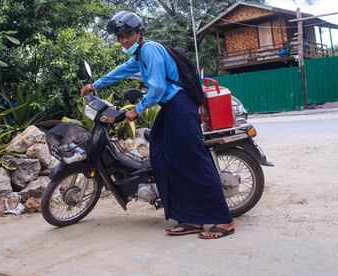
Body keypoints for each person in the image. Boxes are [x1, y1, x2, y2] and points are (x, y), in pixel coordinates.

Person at [80, 11, 234, 239]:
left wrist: (137, 110)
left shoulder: (150, 49)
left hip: (180, 106)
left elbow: (159, 89)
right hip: (171, 108)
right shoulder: (141, 54)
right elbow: (123, 70)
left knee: (193, 161)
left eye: (128, 34)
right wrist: (96, 84)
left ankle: (223, 220)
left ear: (139, 32)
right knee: (163, 157)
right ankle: (189, 217)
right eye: (120, 36)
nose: (124, 40)